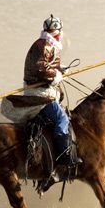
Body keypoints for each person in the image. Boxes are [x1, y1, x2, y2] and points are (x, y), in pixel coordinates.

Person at [24, 14, 82, 168]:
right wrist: (57, 75)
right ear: (58, 32)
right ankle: (64, 155)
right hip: (40, 93)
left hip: (39, 88)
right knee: (62, 119)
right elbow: (41, 69)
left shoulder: (44, 43)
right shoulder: (46, 45)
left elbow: (46, 64)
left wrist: (59, 69)